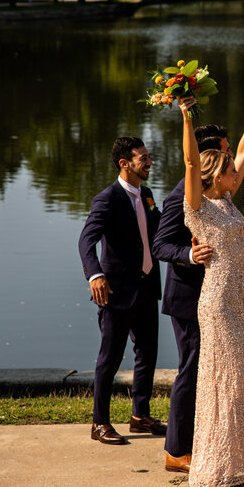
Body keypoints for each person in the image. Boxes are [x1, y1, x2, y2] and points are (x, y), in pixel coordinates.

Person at [179, 88, 244, 487]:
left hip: (240, 298)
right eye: (232, 169)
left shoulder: (229, 201)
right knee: (226, 383)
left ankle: (239, 466)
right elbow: (187, 161)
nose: (240, 171)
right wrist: (185, 118)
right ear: (216, 175)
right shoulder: (197, 206)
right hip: (218, 302)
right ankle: (211, 475)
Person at [149, 123, 228, 473]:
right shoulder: (180, 195)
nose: (230, 160)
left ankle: (201, 439)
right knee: (191, 368)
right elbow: (160, 246)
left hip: (214, 296)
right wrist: (190, 255)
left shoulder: (216, 194)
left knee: (208, 369)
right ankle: (175, 450)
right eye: (225, 153)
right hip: (187, 297)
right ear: (206, 157)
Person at [78, 136, 165, 445]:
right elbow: (86, 241)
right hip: (116, 291)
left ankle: (140, 415)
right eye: (144, 159)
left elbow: (157, 237)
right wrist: (95, 275)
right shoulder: (107, 199)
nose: (150, 163)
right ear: (124, 163)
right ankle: (99, 422)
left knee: (148, 352)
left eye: (148, 157)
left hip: (146, 286)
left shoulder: (149, 195)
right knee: (109, 358)